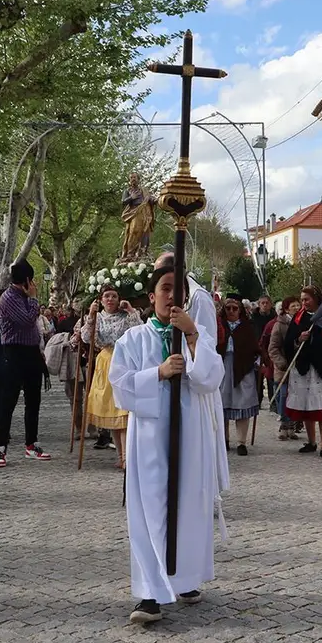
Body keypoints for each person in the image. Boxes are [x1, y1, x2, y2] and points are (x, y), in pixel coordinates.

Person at [108, 264, 225, 624]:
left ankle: (184, 578)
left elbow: (211, 379)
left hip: (189, 431)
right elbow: (120, 386)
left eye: (178, 290)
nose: (172, 296)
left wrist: (192, 339)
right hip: (149, 434)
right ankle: (149, 593)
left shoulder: (197, 333)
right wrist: (156, 374)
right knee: (151, 508)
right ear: (151, 295)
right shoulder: (134, 340)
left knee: (188, 503)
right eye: (165, 288)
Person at [0, 262, 51, 466]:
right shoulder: (9, 298)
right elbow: (27, 319)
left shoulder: (24, 296)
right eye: (32, 280)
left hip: (31, 352)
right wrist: (34, 298)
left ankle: (31, 443)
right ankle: (0, 448)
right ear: (27, 280)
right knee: (8, 402)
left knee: (33, 400)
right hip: (14, 352)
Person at [82, 285, 142, 469]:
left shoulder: (126, 316)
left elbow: (140, 331)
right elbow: (85, 337)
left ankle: (127, 457)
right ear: (100, 300)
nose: (110, 299)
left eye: (113, 296)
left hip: (123, 360)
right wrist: (91, 316)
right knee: (111, 413)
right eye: (106, 296)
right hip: (105, 362)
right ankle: (120, 455)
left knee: (122, 412)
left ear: (119, 299)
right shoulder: (97, 317)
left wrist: (131, 310)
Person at [283, 287, 322, 460]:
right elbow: (288, 342)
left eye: (307, 299)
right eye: (302, 299)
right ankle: (311, 442)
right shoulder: (298, 318)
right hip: (304, 367)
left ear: (316, 299)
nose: (303, 303)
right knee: (306, 406)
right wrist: (298, 340)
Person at [217, 294, 260, 456]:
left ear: (240, 310)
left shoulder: (247, 326)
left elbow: (255, 346)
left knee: (243, 402)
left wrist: (257, 360)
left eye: (235, 308)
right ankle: (224, 440)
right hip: (222, 366)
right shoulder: (219, 325)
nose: (231, 311)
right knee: (222, 403)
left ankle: (242, 442)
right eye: (228, 308)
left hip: (243, 368)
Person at [268, 297, 300, 440]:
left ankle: (293, 425)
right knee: (284, 396)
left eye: (298, 305)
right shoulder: (279, 325)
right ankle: (283, 424)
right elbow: (273, 348)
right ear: (286, 309)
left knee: (296, 397)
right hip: (284, 368)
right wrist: (281, 363)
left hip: (299, 367)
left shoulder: (301, 322)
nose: (296, 308)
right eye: (293, 305)